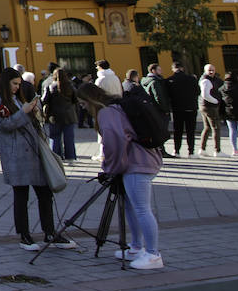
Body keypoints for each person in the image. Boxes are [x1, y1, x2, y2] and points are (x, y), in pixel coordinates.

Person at [75, 83, 164, 270]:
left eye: (83, 104)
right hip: (142, 160)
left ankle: (153, 254)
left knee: (141, 209)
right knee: (133, 207)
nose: (82, 108)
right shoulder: (116, 106)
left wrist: (110, 168)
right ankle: (137, 247)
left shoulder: (107, 112)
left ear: (91, 101)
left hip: (136, 163)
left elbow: (114, 143)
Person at [0, 67, 75, 252]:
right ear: (6, 83)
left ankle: (50, 231)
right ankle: (24, 235)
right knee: (21, 195)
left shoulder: (16, 99)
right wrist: (24, 112)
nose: (17, 88)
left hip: (34, 154)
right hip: (16, 156)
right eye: (14, 84)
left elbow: (29, 122)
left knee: (45, 193)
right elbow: (4, 125)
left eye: (19, 84)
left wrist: (34, 112)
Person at [40, 67, 78, 162]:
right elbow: (75, 100)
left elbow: (44, 100)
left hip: (54, 116)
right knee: (69, 137)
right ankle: (70, 157)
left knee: (55, 137)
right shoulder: (71, 86)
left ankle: (57, 156)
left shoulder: (50, 86)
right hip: (69, 115)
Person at [141, 64, 174, 157]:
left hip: (152, 109)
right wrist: (165, 109)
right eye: (159, 69)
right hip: (159, 110)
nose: (161, 71)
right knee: (162, 130)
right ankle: (161, 150)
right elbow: (159, 97)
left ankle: (158, 150)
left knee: (157, 130)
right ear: (153, 70)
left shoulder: (145, 81)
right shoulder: (155, 82)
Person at [168, 63, 200, 157]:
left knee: (178, 131)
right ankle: (191, 152)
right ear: (182, 68)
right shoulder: (191, 78)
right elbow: (198, 91)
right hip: (191, 107)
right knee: (190, 131)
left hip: (177, 109)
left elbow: (168, 95)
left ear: (173, 69)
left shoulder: (170, 80)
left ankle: (176, 151)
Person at [199, 63, 222, 155]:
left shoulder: (208, 79)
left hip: (204, 105)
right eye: (209, 70)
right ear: (205, 71)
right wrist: (216, 101)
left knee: (207, 127)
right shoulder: (206, 81)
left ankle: (202, 149)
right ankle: (217, 150)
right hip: (209, 106)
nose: (211, 71)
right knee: (216, 127)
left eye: (213, 69)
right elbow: (205, 95)